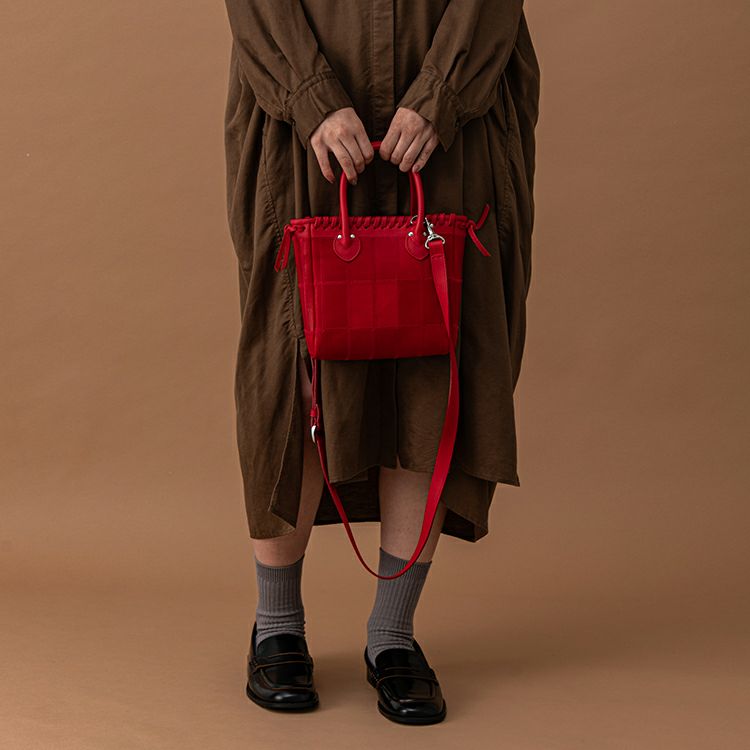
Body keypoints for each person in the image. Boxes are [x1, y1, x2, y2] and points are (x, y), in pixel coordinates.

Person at [222, 0, 540, 725]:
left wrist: (442, 94)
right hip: (298, 117)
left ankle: (393, 635)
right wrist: (310, 95)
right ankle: (277, 625)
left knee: (432, 366)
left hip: (457, 107)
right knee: (296, 371)